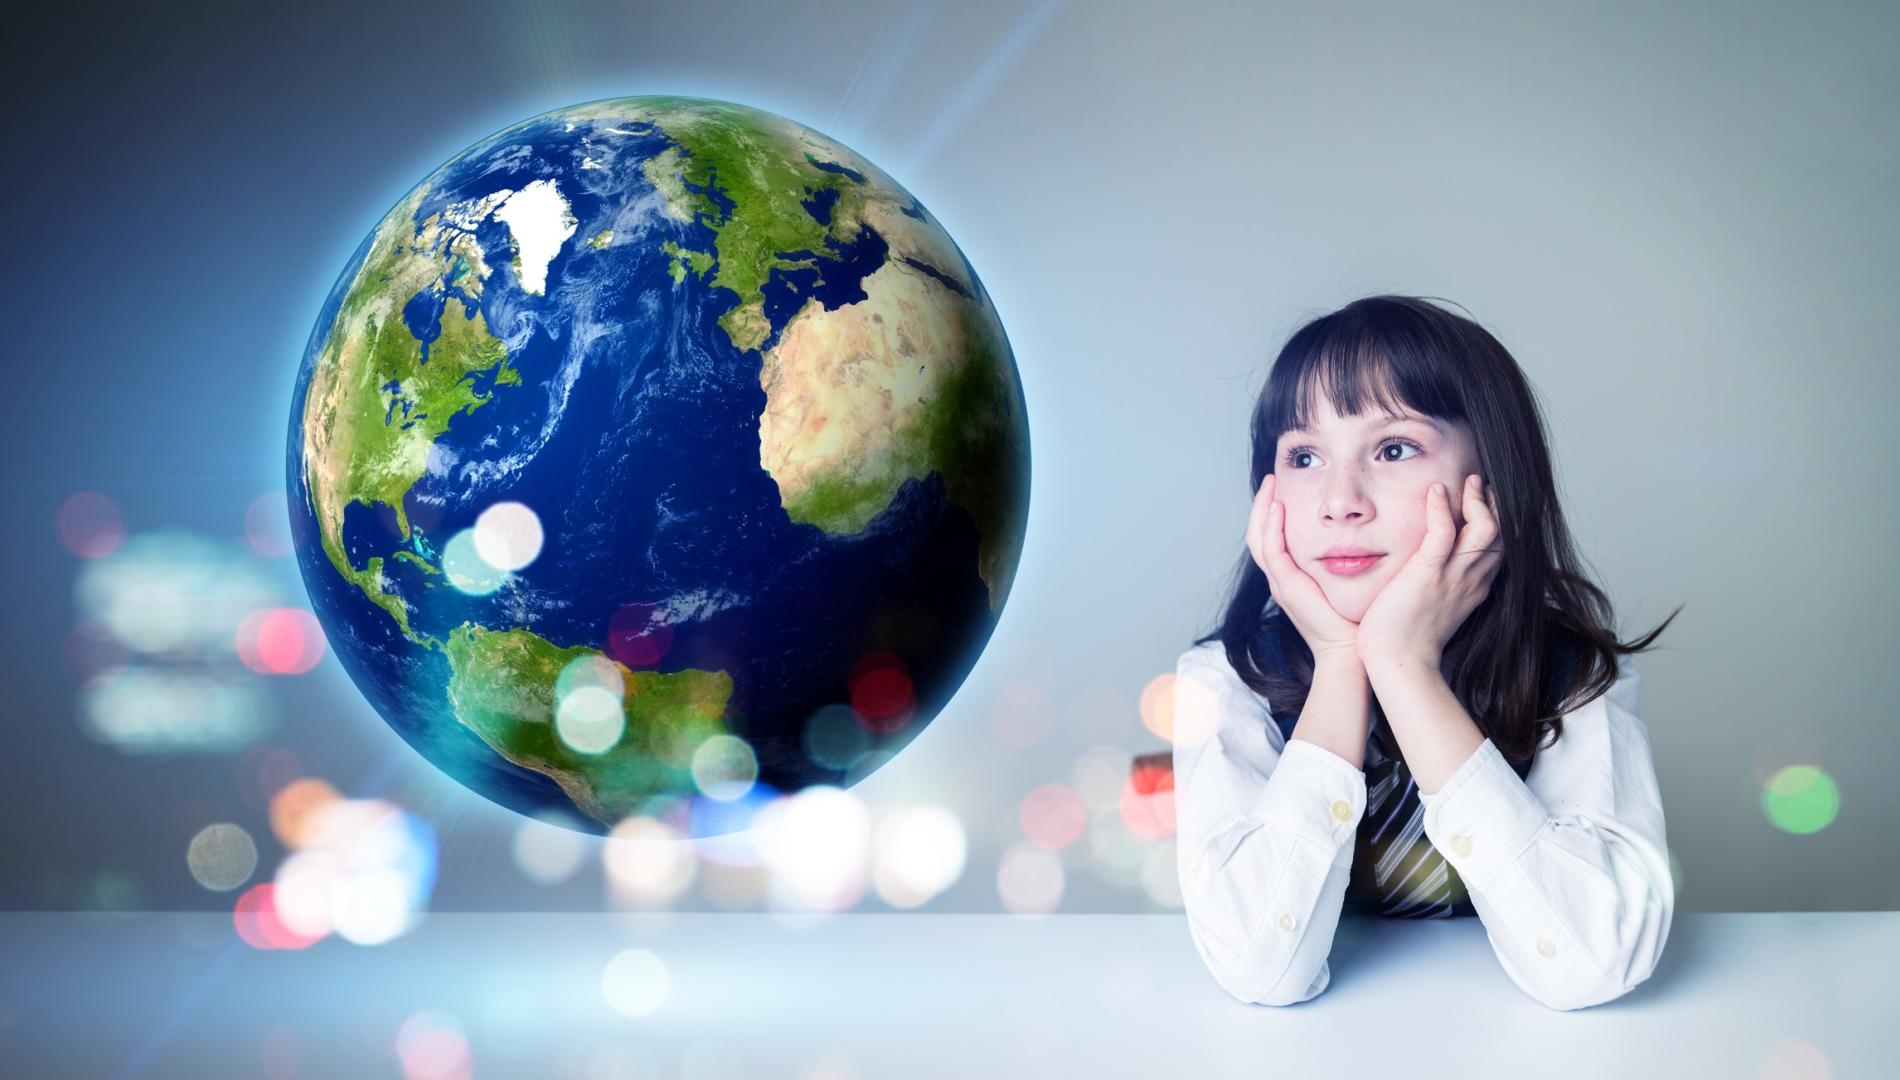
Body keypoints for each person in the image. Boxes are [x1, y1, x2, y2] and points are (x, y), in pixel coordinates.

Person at [1171, 294, 1681, 1011]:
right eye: (1305, 455)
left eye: (1394, 448)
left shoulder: (1572, 674)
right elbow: (1260, 969)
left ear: (1493, 482)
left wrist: (1405, 666)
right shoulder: (1226, 681)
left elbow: (1592, 963)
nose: (1339, 500)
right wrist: (1344, 663)